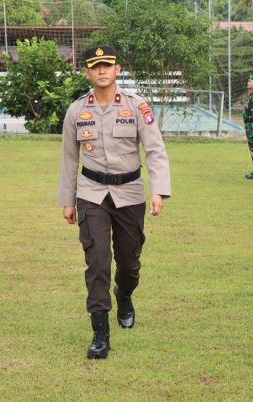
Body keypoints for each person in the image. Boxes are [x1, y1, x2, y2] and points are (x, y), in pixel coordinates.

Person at [58, 45, 171, 360]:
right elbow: (69, 158)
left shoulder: (137, 107)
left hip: (130, 193)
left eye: (107, 65)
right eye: (95, 66)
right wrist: (68, 200)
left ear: (117, 69)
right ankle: (100, 332)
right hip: (91, 192)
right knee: (97, 262)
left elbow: (155, 149)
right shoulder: (76, 111)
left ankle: (125, 295)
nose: (102, 71)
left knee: (129, 261)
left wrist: (158, 190)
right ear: (88, 72)